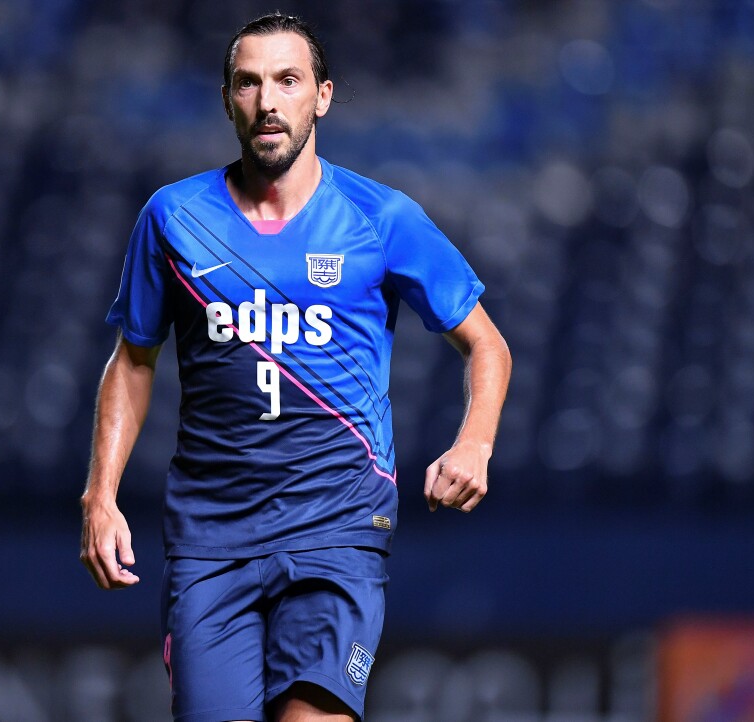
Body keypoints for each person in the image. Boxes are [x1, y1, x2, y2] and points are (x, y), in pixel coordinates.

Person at [80, 12, 511, 722]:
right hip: (210, 538)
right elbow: (132, 360)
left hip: (337, 527)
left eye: (288, 80)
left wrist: (475, 442)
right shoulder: (173, 217)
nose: (268, 101)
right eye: (248, 83)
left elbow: (488, 344)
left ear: (323, 96)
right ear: (227, 99)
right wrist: (101, 496)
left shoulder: (381, 217)